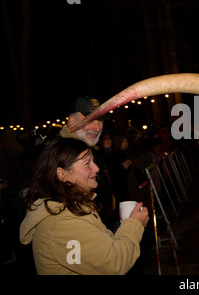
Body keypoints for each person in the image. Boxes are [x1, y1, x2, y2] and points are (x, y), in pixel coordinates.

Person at [19, 138, 149, 275]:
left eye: (93, 161)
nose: (96, 168)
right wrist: (134, 224)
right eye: (87, 163)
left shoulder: (74, 206)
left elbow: (103, 247)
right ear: (63, 174)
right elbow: (114, 263)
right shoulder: (63, 222)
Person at [60, 96, 119, 230]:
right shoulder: (58, 156)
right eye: (90, 120)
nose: (97, 128)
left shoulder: (93, 151)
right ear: (72, 121)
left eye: (100, 121)